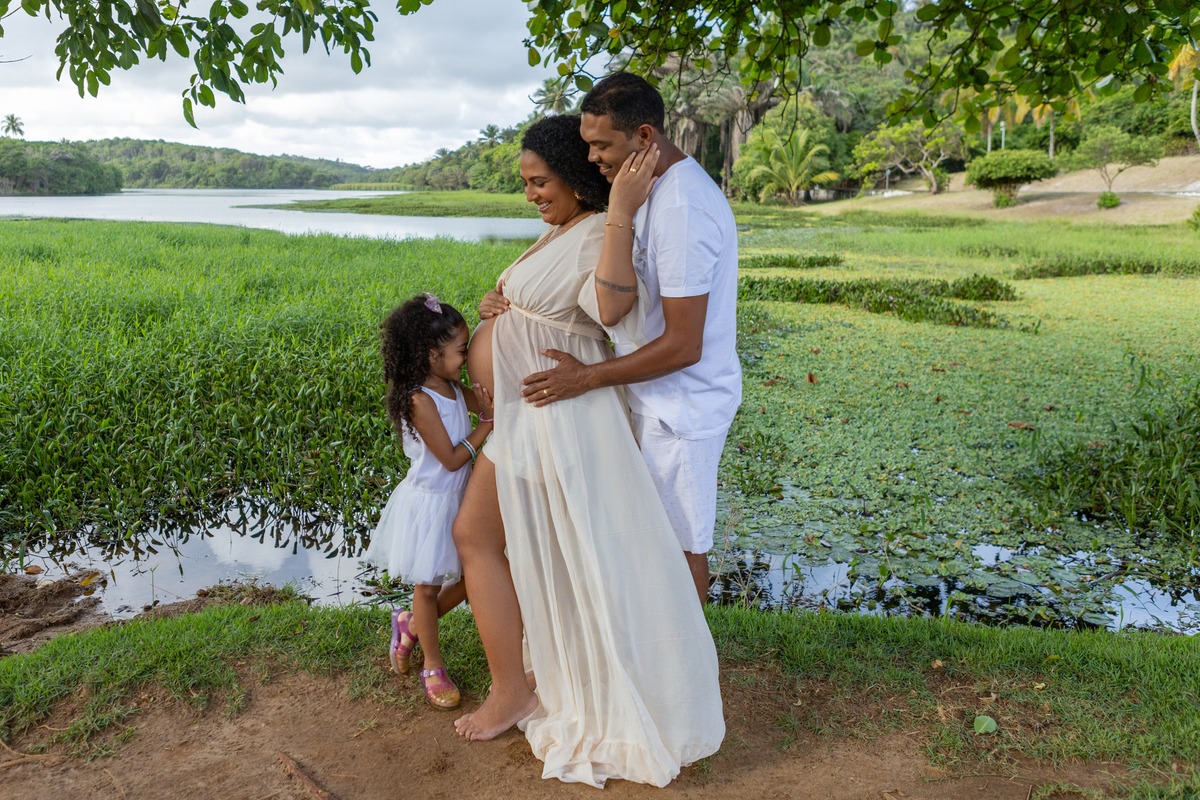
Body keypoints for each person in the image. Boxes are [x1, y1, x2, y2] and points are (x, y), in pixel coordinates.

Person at [451, 113, 724, 788]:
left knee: (519, 546)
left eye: (540, 181)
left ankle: (522, 689)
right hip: (530, 416)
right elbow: (549, 305)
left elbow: (608, 311)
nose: (531, 194)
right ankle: (519, 682)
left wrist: (622, 211)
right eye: (525, 183)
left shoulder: (601, 233)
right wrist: (501, 303)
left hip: (557, 416)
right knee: (484, 538)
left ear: (574, 178)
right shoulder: (561, 230)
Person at [491, 72, 742, 607]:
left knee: (679, 549)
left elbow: (683, 345)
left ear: (644, 136)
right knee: (644, 543)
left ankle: (686, 681)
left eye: (601, 145)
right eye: (587, 144)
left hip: (681, 409)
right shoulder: (647, 190)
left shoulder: (682, 208)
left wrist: (585, 378)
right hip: (648, 397)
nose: (593, 158)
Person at [363, 293, 494, 709]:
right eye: (461, 351)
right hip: (433, 502)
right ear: (430, 355)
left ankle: (410, 625)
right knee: (428, 585)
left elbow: (489, 400)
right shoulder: (421, 400)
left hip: (462, 499)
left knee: (475, 579)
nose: (468, 357)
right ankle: (432, 664)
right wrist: (486, 426)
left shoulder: (453, 386)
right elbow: (454, 459)